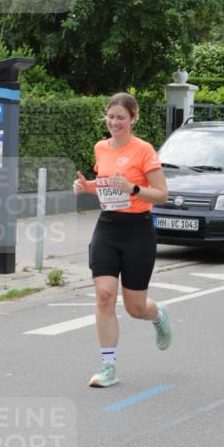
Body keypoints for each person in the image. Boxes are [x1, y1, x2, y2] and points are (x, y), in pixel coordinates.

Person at [73, 93, 172, 388]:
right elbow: (106, 187)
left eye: (121, 117)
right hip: (108, 227)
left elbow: (161, 194)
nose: (114, 122)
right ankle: (108, 367)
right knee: (104, 295)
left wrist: (132, 187)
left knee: (135, 307)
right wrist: (86, 186)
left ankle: (158, 314)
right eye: (111, 116)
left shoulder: (143, 150)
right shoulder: (101, 147)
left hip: (138, 230)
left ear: (133, 119)